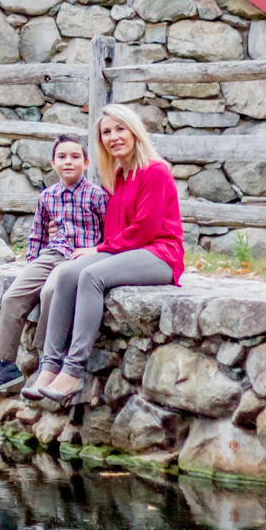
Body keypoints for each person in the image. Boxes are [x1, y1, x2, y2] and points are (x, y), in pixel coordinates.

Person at [25, 104, 183, 403]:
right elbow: (113, 229)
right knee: (69, 273)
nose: (113, 137)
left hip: (160, 254)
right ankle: (48, 366)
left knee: (91, 274)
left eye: (119, 129)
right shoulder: (120, 175)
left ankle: (72, 372)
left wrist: (97, 250)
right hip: (130, 252)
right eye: (106, 132)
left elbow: (145, 231)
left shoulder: (155, 171)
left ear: (134, 131)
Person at [0, 136, 106, 396]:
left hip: (79, 258)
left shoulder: (97, 196)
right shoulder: (48, 196)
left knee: (50, 293)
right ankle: (5, 367)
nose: (69, 162)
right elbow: (37, 235)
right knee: (13, 296)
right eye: (63, 157)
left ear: (86, 162)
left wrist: (96, 252)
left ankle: (47, 361)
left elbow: (108, 233)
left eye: (75, 157)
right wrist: (31, 265)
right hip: (52, 254)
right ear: (53, 163)